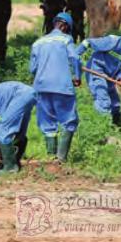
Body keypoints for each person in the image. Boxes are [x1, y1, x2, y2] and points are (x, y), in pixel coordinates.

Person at [30, 12, 81, 163]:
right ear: (65, 26)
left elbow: (32, 69)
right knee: (68, 120)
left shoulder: (38, 42)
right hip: (61, 86)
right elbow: (75, 58)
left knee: (47, 122)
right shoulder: (66, 39)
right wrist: (77, 76)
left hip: (41, 86)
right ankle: (61, 158)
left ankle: (51, 157)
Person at [76, 26, 121, 126]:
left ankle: (116, 126)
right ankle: (102, 128)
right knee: (103, 100)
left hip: (110, 76)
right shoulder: (112, 41)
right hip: (96, 71)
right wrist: (75, 56)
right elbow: (88, 42)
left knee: (115, 104)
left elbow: (120, 68)